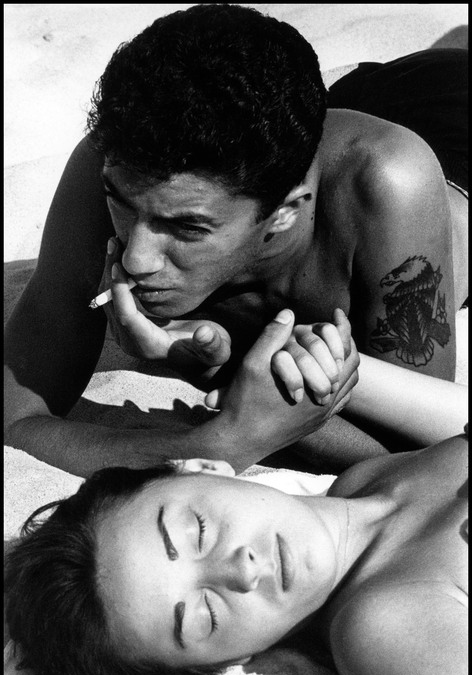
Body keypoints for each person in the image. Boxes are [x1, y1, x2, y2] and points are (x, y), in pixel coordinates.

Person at [4, 4, 468, 476]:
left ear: (287, 212)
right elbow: (14, 422)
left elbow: (423, 458)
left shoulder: (388, 185)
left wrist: (225, 410)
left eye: (188, 228)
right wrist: (220, 435)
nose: (137, 258)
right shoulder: (126, 164)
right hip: (347, 102)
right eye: (120, 204)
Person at [4, 310, 467, 675]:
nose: (242, 570)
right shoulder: (380, 628)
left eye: (200, 531)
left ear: (203, 467)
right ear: (225, 662)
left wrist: (309, 358)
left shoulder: (364, 482)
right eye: (206, 617)